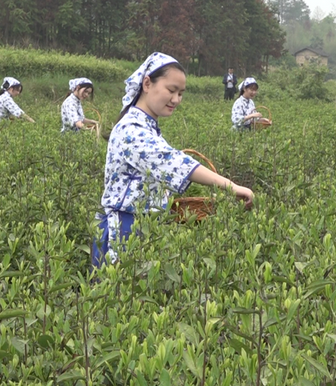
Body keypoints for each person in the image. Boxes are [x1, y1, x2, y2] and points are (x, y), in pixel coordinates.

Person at [92, 52, 254, 269]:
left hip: (144, 225)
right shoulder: (131, 129)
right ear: (147, 83)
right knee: (116, 296)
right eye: (171, 90)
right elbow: (172, 161)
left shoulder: (148, 125)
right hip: (123, 229)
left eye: (181, 93)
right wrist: (230, 186)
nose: (176, 99)